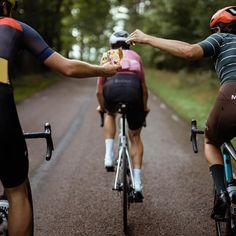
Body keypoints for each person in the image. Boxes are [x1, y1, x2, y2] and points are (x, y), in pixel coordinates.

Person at [0, 1, 120, 236]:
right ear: (6, 6)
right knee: (17, 190)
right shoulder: (14, 26)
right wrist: (104, 70)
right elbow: (68, 68)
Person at [127, 5, 236, 221]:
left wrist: (147, 38)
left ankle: (223, 193)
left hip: (232, 95)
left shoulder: (222, 39)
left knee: (212, 141)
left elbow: (189, 51)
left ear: (219, 29)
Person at [96, 30, 149, 199]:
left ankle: (109, 156)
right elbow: (143, 87)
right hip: (133, 89)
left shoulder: (107, 55)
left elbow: (99, 90)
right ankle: (138, 184)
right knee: (135, 137)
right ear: (128, 44)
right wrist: (144, 107)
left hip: (112, 87)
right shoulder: (136, 56)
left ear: (112, 44)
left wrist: (103, 107)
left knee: (110, 114)